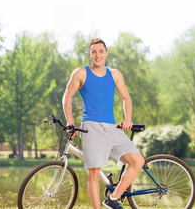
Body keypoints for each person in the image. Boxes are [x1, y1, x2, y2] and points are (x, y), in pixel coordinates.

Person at [62, 38, 145, 209]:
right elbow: (67, 97)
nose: (97, 55)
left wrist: (127, 118)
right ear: (89, 54)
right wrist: (70, 122)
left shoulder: (115, 74)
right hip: (91, 127)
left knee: (137, 161)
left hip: (112, 128)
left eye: (101, 51)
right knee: (94, 172)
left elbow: (126, 97)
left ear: (106, 53)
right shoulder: (81, 73)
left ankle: (114, 198)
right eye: (94, 52)